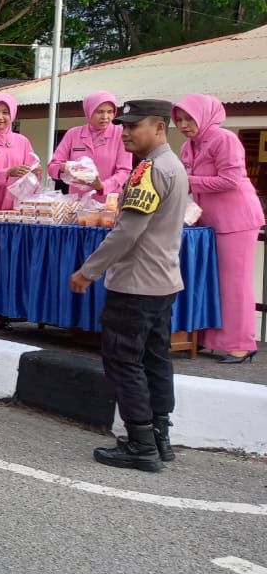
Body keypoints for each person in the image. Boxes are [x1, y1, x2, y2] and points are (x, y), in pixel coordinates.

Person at [69, 100, 188, 471]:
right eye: (123, 126)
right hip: (162, 281)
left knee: (123, 361)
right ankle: (160, 437)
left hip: (136, 284)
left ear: (158, 127)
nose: (125, 132)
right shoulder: (174, 166)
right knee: (155, 360)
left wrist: (88, 270)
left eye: (133, 126)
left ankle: (141, 444)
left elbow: (127, 232)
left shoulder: (148, 171)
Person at [172, 93, 264, 363]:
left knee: (234, 283)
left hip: (236, 220)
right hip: (206, 221)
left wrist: (185, 180)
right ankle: (208, 339)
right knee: (208, 280)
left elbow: (231, 180)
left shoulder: (225, 139)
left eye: (190, 118)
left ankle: (240, 343)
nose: (184, 124)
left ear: (205, 114)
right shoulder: (188, 146)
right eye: (179, 119)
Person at [46, 91, 132, 202]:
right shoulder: (73, 134)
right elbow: (52, 167)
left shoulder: (120, 134)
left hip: (108, 203)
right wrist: (65, 167)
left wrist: (102, 186)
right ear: (88, 111)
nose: (105, 117)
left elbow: (124, 171)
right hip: (78, 203)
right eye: (99, 112)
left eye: (110, 112)